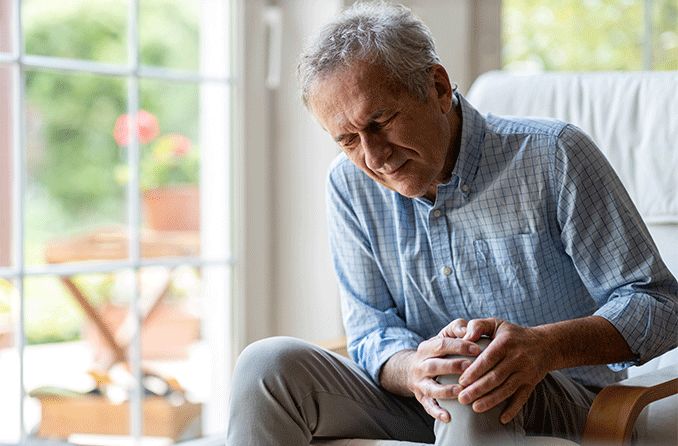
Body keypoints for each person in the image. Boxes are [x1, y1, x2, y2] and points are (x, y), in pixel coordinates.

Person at [226, 2, 678, 445]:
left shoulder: (553, 156)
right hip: (425, 398)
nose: (374, 156)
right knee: (267, 365)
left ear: (438, 88)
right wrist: (415, 368)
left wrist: (543, 347)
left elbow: (660, 306)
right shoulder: (348, 185)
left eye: (380, 121)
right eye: (348, 140)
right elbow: (371, 330)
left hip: (563, 399)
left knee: (473, 372)